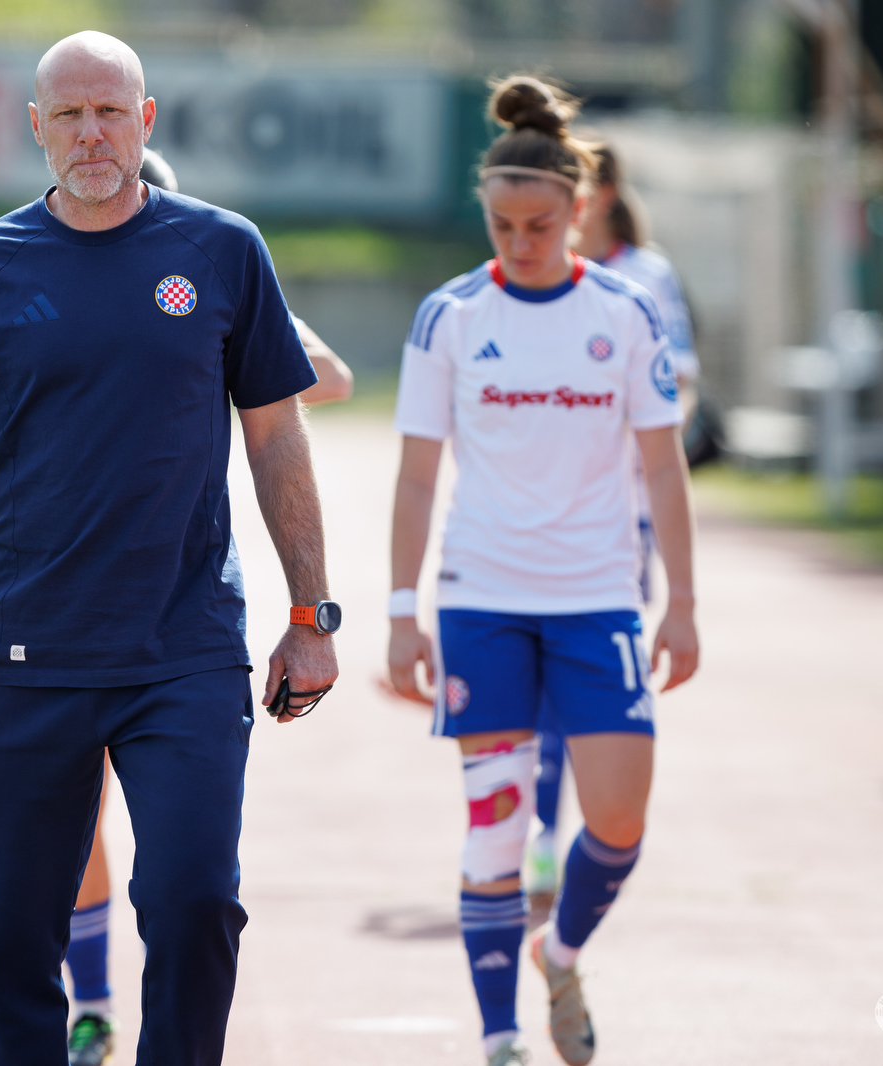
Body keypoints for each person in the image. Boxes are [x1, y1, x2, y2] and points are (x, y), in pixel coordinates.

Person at [0, 31, 341, 1066]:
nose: (91, 134)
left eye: (110, 112)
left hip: (182, 650)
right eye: (68, 115)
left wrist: (311, 615)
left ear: (145, 119)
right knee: (6, 941)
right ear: (36, 127)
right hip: (22, 654)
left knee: (196, 903)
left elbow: (277, 437)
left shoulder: (223, 251)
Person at [387, 75, 699, 1066]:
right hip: (480, 601)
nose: (519, 243)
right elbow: (416, 476)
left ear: (581, 209)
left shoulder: (627, 311)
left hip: (598, 600)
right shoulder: (448, 315)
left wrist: (682, 603)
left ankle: (558, 951)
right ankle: (499, 1036)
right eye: (501, 225)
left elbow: (664, 465)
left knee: (618, 818)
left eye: (539, 224)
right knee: (498, 829)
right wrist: (400, 611)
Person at [60, 144, 352, 1066]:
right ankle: (93, 1004)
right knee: (75, 824)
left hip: (178, 610)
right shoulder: (41, 272)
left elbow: (331, 376)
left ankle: (113, 1011)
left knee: (188, 875)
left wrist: (224, 350)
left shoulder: (215, 271)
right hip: (58, 602)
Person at [521, 141, 704, 904]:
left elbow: (679, 382)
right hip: (538, 514)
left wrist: (629, 441)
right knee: (534, 678)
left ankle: (596, 832)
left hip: (618, 517)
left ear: (593, 197)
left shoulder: (645, 278)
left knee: (587, 677)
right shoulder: (527, 273)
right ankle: (540, 832)